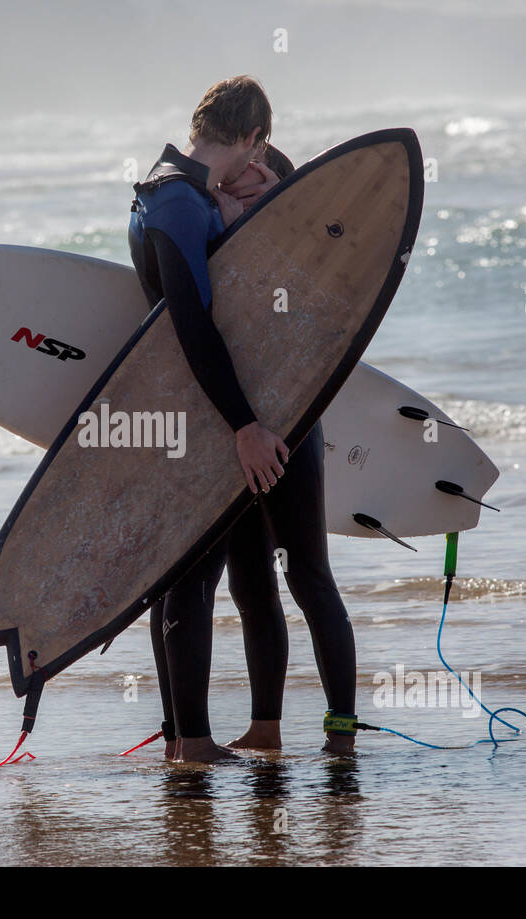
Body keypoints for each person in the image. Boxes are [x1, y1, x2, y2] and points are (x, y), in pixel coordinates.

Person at [127, 76, 359, 763]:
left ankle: (269, 733)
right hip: (235, 417)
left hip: (246, 416)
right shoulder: (181, 201)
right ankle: (190, 743)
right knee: (213, 577)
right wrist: (243, 425)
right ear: (254, 136)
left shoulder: (171, 195)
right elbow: (193, 325)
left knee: (260, 573)